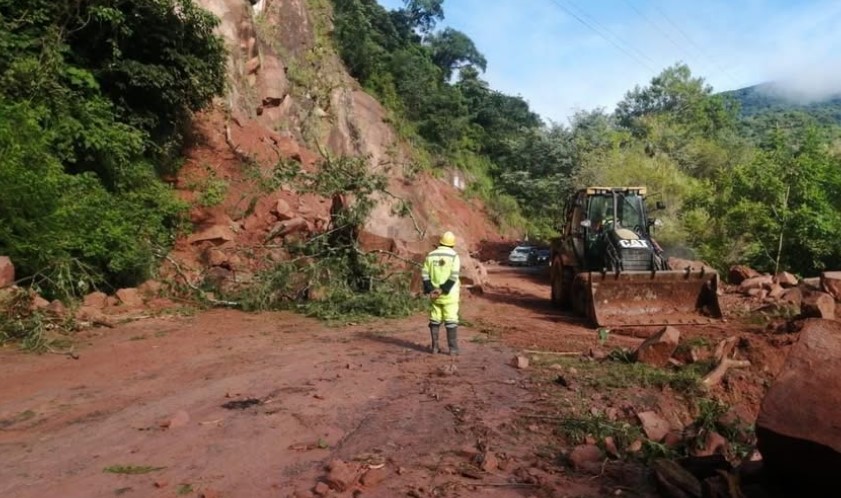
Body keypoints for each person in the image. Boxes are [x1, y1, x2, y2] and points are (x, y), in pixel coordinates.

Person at [421, 231, 461, 355]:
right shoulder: (454, 256)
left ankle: (435, 348)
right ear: (452, 244)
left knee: (435, 319)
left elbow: (424, 274)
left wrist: (431, 289)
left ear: (440, 242)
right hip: (450, 295)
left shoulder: (431, 255)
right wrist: (443, 289)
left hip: (434, 296)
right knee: (451, 320)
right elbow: (454, 276)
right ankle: (453, 349)